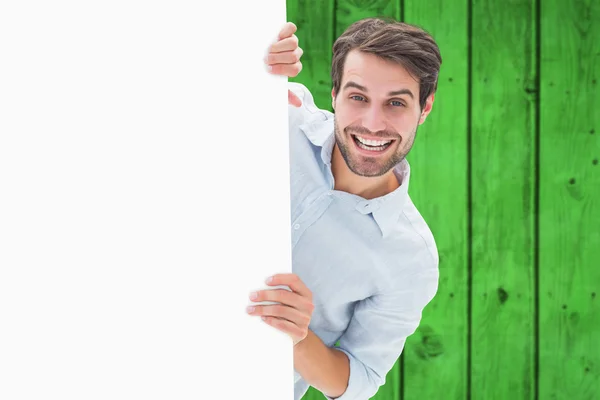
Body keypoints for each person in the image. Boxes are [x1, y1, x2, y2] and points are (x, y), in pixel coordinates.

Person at [246, 18, 442, 400]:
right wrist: (252, 58)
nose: (373, 124)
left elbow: (359, 379)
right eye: (357, 97)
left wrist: (300, 338)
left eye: (396, 103)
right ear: (334, 93)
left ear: (425, 107)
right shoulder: (278, 120)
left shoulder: (411, 258)